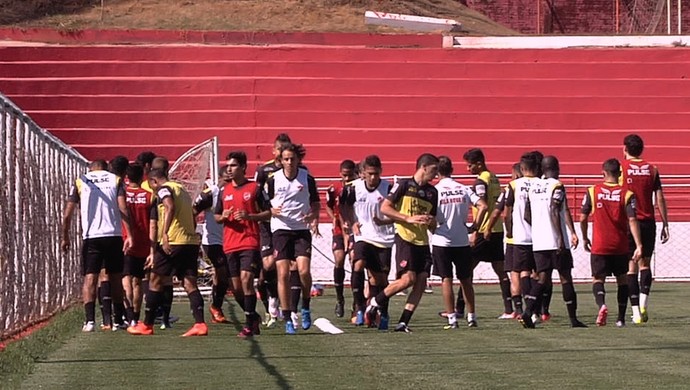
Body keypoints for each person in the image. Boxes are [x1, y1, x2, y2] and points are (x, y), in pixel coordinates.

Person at [127, 168, 207, 336]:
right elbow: (192, 214)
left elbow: (169, 206)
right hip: (189, 241)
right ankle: (200, 324)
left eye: (151, 185)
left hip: (173, 241)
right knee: (189, 283)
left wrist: (164, 234)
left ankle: (147, 324)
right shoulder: (182, 190)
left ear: (154, 181)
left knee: (155, 279)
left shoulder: (164, 189)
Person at [366, 153, 439, 333]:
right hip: (405, 238)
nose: (436, 174)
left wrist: (431, 223)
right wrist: (407, 218)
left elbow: (434, 224)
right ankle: (375, 302)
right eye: (434, 170)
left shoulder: (432, 192)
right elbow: (385, 208)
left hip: (422, 242)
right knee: (408, 279)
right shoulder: (404, 185)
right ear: (424, 167)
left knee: (421, 282)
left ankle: (403, 322)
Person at [61, 159, 133, 332]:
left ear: (90, 168)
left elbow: (67, 214)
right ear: (106, 167)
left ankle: (90, 321)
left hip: (91, 236)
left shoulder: (81, 181)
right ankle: (117, 321)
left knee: (90, 277)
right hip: (113, 234)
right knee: (115, 277)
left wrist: (65, 236)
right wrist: (129, 234)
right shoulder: (115, 180)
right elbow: (123, 207)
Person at [521, 156, 586, 328]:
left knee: (542, 279)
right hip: (555, 242)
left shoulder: (533, 187)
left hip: (539, 242)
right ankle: (573, 319)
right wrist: (560, 238)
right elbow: (555, 210)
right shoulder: (556, 185)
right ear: (557, 168)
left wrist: (539, 228)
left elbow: (527, 215)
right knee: (565, 278)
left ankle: (528, 312)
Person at [264, 143, 320, 335]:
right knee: (283, 273)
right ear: (280, 161)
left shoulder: (307, 178)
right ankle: (287, 316)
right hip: (281, 229)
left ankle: (305, 306)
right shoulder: (272, 180)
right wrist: (270, 210)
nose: (289, 162)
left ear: (298, 160)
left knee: (304, 271)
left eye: (292, 159)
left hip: (301, 229)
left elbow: (316, 203)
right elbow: (263, 204)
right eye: (286, 159)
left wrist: (313, 216)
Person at [580, 158, 643, 327]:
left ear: (603, 173)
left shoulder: (593, 191)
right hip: (620, 245)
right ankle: (621, 319)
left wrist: (585, 237)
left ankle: (602, 305)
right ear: (620, 174)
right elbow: (632, 219)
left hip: (600, 245)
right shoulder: (627, 194)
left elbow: (583, 217)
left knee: (598, 279)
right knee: (622, 279)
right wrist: (639, 245)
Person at [215, 151, 270, 337]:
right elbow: (216, 215)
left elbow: (269, 213)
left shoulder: (254, 188)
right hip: (230, 244)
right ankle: (252, 316)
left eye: (233, 165)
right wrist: (222, 217)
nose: (229, 169)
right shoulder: (224, 191)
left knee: (247, 280)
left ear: (243, 167)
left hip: (249, 241)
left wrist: (250, 216)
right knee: (236, 288)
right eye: (228, 165)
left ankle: (248, 325)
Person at [340, 155, 395, 329]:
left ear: (381, 172)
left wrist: (386, 222)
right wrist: (351, 221)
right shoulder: (353, 188)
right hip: (363, 236)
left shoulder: (389, 188)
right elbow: (343, 206)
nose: (373, 177)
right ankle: (360, 308)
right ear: (363, 173)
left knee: (380, 280)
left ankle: (383, 313)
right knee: (357, 265)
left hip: (384, 239)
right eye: (370, 173)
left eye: (376, 174)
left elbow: (397, 211)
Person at [431, 156, 487, 329]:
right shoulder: (462, 188)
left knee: (446, 280)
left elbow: (430, 216)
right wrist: (474, 226)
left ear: (437, 173)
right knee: (466, 280)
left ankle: (452, 319)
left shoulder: (434, 191)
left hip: (442, 240)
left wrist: (433, 229)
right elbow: (483, 206)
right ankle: (472, 316)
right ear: (452, 170)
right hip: (461, 239)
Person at [621, 134, 670, 323]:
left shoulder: (621, 169)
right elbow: (659, 198)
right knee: (645, 264)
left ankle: (635, 313)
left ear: (625, 149)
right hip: (648, 221)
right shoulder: (652, 170)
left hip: (629, 222)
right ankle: (643, 304)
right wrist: (665, 222)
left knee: (630, 267)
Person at [463, 148, 513, 319]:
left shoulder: (480, 181)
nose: (467, 169)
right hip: (497, 230)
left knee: (465, 271)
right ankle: (509, 308)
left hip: (484, 231)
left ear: (479, 163)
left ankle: (458, 310)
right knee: (501, 271)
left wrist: (475, 229)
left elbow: (483, 206)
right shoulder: (494, 178)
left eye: (469, 166)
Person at [254, 133, 292, 327]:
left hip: (289, 224)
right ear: (274, 150)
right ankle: (272, 298)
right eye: (278, 149)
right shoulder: (264, 170)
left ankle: (290, 308)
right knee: (269, 265)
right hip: (268, 223)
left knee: (290, 266)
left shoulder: (297, 169)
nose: (280, 153)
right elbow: (255, 194)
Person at [505, 152, 541, 326]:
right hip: (542, 237)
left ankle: (530, 311)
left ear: (522, 168)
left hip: (521, 237)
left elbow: (506, 213)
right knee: (540, 274)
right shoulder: (542, 184)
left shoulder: (513, 185)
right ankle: (538, 310)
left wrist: (509, 231)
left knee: (524, 273)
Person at [193, 172, 231, 324]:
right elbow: (194, 210)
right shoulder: (211, 193)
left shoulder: (237, 192)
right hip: (213, 241)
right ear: (220, 178)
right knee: (222, 271)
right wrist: (192, 231)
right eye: (226, 179)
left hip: (231, 241)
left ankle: (216, 305)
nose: (228, 182)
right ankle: (216, 307)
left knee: (225, 277)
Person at [122, 163, 153, 327]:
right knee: (138, 281)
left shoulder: (121, 195)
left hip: (125, 240)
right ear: (142, 177)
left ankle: (128, 316)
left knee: (126, 278)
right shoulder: (149, 195)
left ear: (127, 177)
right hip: (144, 242)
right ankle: (135, 316)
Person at [326, 159, 357, 318]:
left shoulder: (358, 188)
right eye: (344, 175)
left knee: (354, 261)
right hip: (339, 230)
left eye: (350, 176)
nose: (347, 179)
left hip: (354, 231)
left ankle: (356, 303)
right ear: (340, 174)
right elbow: (328, 206)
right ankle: (340, 298)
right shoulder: (334, 189)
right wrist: (334, 218)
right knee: (339, 259)